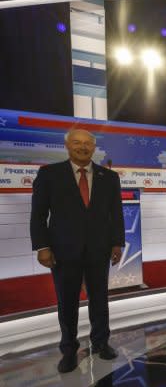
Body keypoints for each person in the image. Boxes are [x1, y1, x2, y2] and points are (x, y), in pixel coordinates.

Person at [30, 128, 124, 373]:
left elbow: (116, 215)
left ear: (94, 148)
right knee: (67, 301)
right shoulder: (49, 175)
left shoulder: (109, 177)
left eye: (87, 144)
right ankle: (69, 350)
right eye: (77, 143)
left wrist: (117, 243)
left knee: (100, 299)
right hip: (62, 251)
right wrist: (42, 247)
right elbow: (38, 215)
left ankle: (101, 342)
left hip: (99, 249)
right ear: (67, 146)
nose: (83, 147)